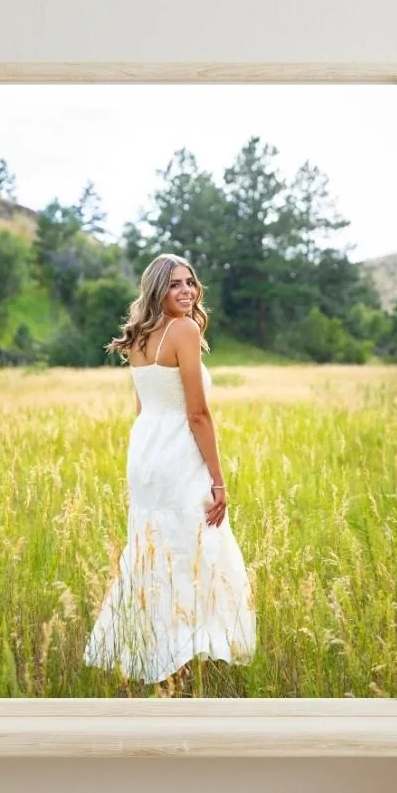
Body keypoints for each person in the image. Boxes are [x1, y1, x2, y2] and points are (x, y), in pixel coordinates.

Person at [82, 253, 257, 685]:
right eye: (176, 284)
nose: (187, 291)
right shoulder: (184, 329)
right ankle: (182, 650)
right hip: (176, 453)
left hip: (145, 452)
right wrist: (218, 480)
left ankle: (152, 648)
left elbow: (143, 406)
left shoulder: (141, 335)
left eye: (190, 283)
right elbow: (197, 414)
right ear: (158, 289)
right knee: (193, 546)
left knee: (152, 548)